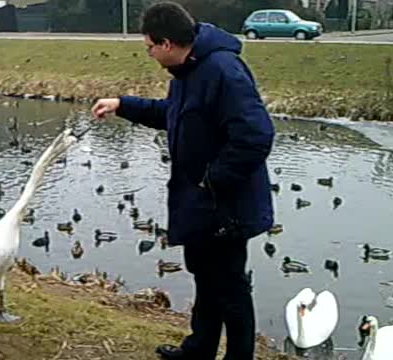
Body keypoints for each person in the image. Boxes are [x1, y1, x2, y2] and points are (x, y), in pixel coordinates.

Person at [91, 2, 274, 360]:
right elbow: (170, 115)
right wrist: (122, 104)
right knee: (206, 279)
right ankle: (199, 350)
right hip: (199, 204)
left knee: (231, 289)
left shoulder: (224, 71)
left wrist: (212, 180)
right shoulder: (188, 73)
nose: (149, 54)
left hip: (226, 205)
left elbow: (256, 136)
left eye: (149, 47)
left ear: (167, 44)